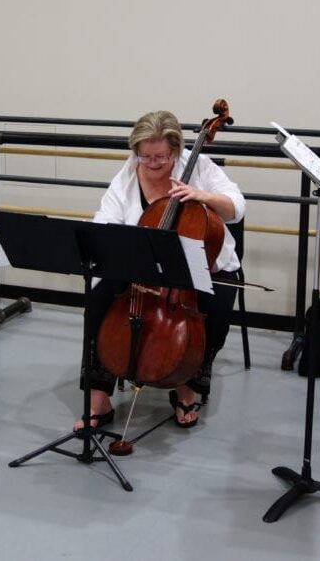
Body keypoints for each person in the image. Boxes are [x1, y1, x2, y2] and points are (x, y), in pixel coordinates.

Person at [73, 110, 245, 430]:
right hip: (142, 268)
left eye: (161, 157)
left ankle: (186, 389)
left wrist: (202, 196)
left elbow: (237, 206)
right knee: (97, 303)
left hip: (203, 268)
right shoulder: (127, 175)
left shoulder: (199, 168)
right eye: (145, 156)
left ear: (177, 151)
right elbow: (104, 221)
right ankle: (99, 400)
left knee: (216, 310)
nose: (152, 164)